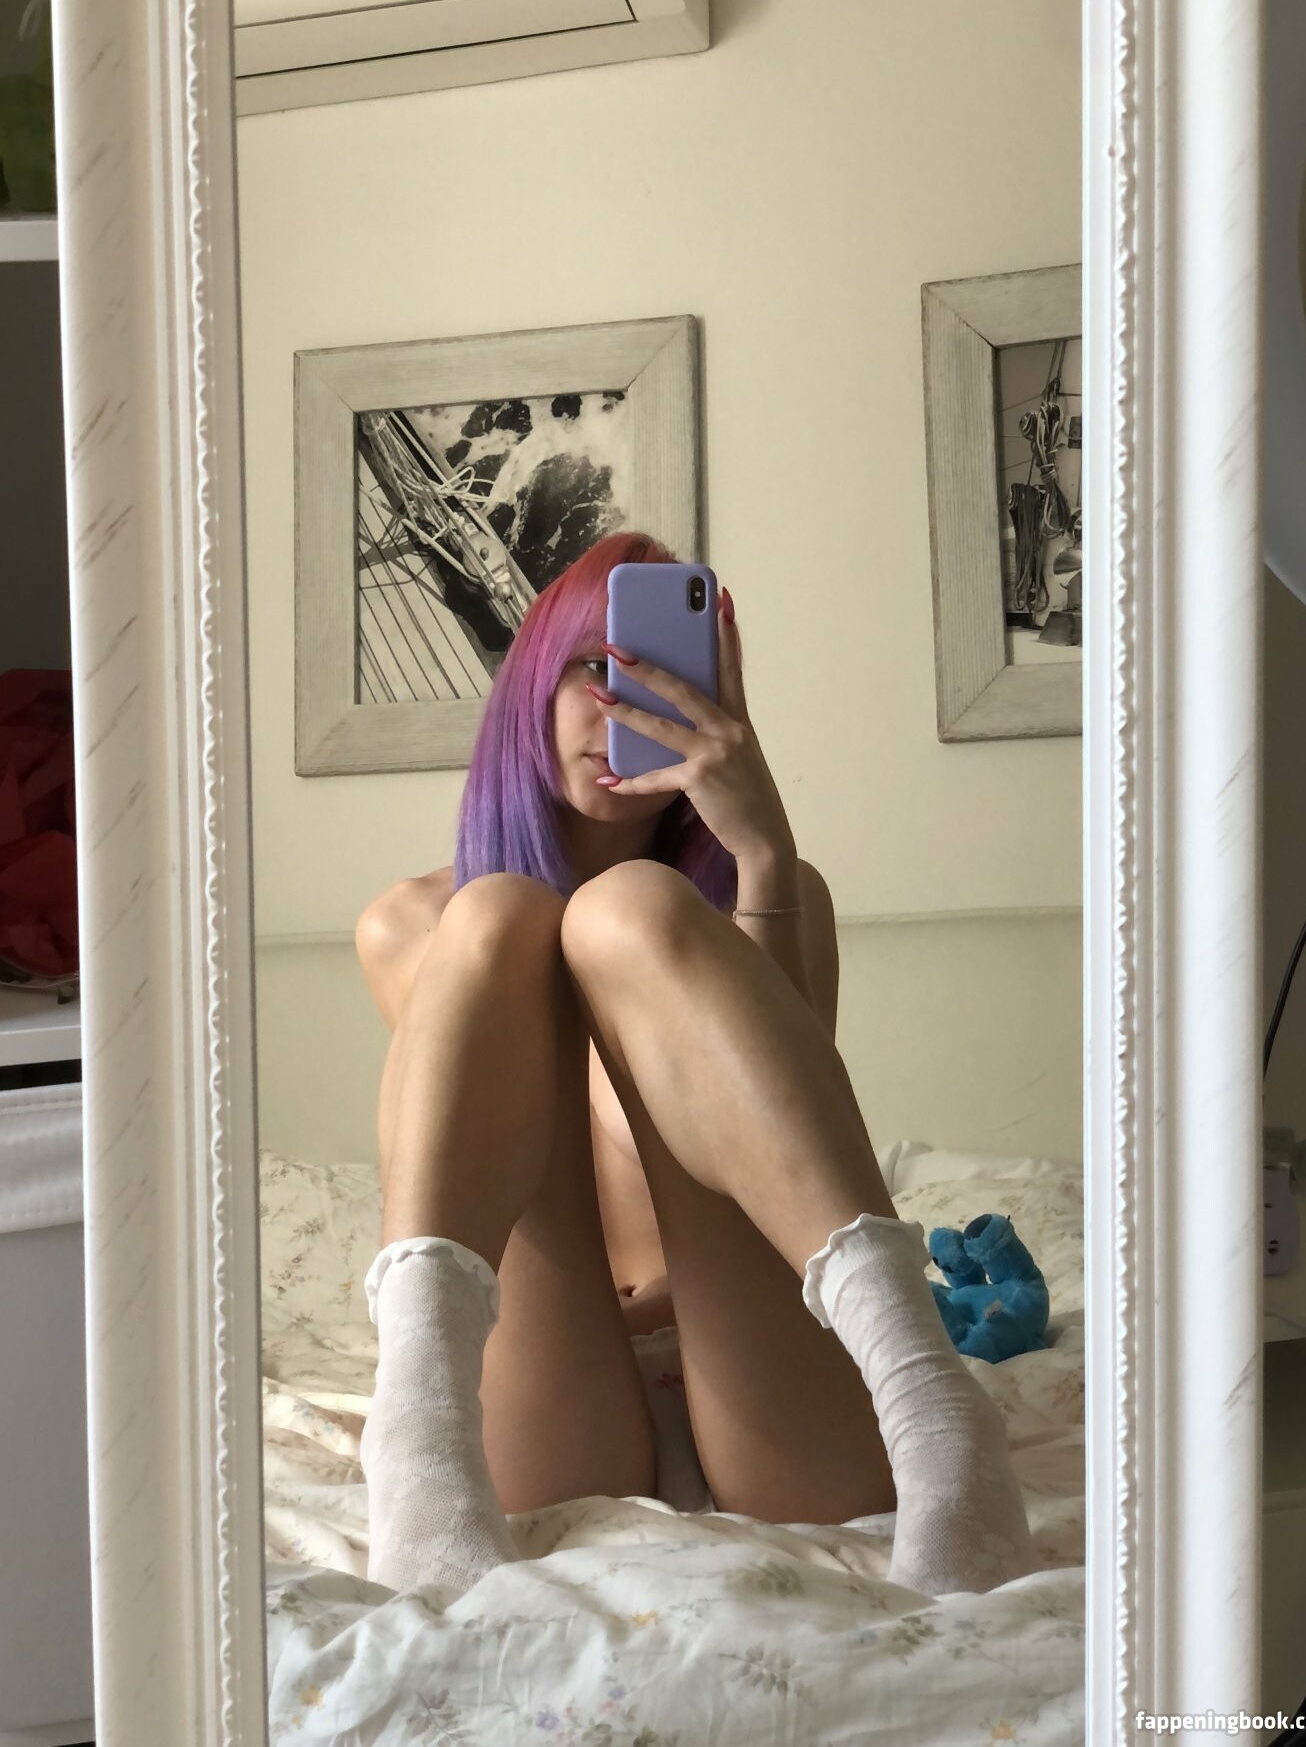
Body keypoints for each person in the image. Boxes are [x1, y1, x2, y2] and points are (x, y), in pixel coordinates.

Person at [353, 530, 1034, 1602]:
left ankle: (935, 1410)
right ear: (531, 683)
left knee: (629, 911)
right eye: (590, 666)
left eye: (663, 674)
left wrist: (760, 853)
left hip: (765, 1375)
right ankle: (415, 1436)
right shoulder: (414, 927)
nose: (617, 704)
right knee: (497, 917)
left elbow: (796, 1161)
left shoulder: (776, 893)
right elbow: (478, 1184)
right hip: (556, 1385)